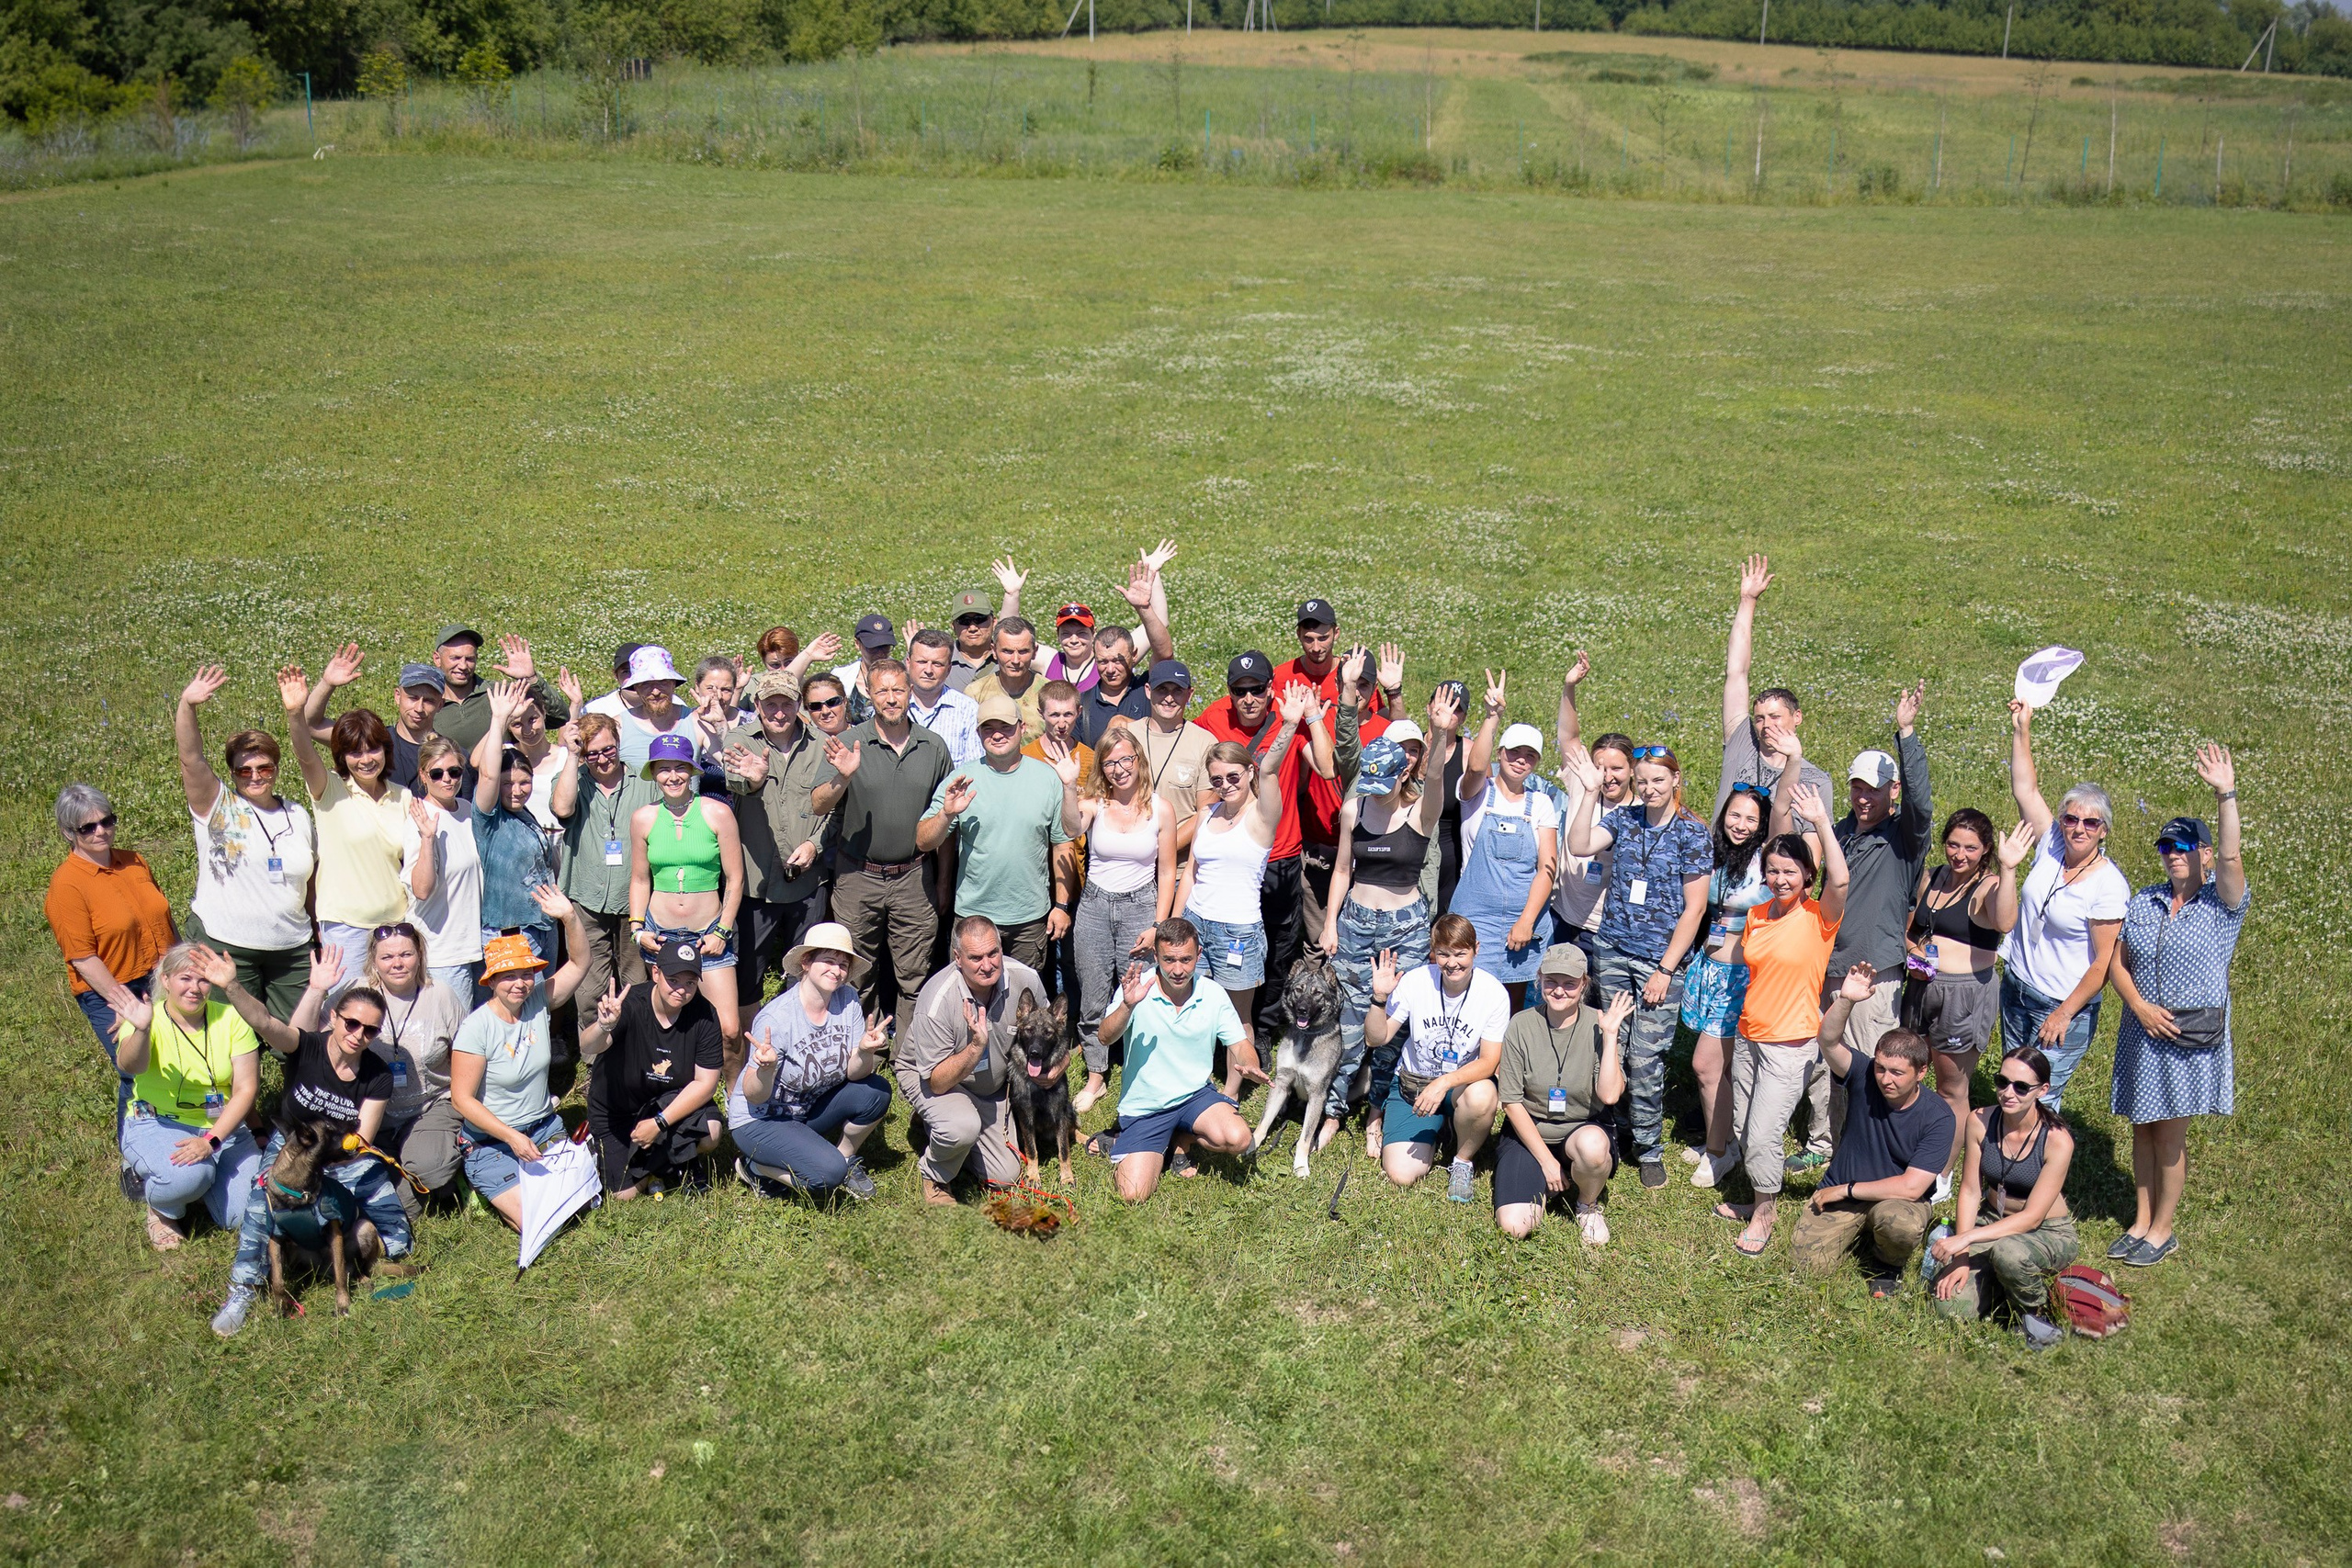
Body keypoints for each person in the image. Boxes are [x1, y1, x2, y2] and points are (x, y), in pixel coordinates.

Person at [208, 944, 414, 1337]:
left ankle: (353, 1261)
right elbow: (265, 1022)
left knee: (399, 1239)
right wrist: (232, 986)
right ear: (334, 1017)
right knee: (261, 1204)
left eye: (370, 1030)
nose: (358, 1035)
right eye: (351, 1023)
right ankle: (244, 1288)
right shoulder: (307, 1046)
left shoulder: (377, 1075)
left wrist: (330, 1167)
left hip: (339, 1156)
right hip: (291, 1147)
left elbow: (362, 1139)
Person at [2104, 744, 2249, 1268]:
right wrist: (2139, 1006)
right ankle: (2141, 1221)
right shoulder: (2144, 900)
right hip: (2142, 1030)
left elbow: (2232, 858)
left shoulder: (2223, 903)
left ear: (2204, 854)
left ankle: (2163, 1230)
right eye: (2167, 846)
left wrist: (2226, 794)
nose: (2174, 854)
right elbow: (2116, 963)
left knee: (2169, 1134)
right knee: (2142, 1128)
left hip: (2190, 1037)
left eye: (2185, 845)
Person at [1317, 687, 1464, 1150]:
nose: (1376, 796)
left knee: (1394, 1020)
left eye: (1385, 786)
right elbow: (1343, 869)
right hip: (1357, 921)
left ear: (1403, 774)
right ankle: (1333, 1109)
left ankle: (1378, 1109)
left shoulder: (1421, 812)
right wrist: (1330, 922)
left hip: (1405, 928)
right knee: (1347, 1018)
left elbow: (1436, 777)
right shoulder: (1354, 807)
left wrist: (1439, 733)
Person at [1562, 741, 1714, 1189]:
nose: (1649, 789)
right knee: (1614, 1044)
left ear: (1676, 779)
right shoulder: (1624, 819)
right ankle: (1620, 1129)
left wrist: (1665, 970)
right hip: (1612, 950)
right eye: (1642, 781)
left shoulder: (1692, 832)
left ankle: (1648, 1147)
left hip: (1658, 963)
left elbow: (1695, 909)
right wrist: (1590, 791)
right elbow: (1579, 844)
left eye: (1658, 780)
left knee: (1646, 1056)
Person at [1716, 790, 1850, 1258]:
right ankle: (1758, 1197)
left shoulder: (1820, 917)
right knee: (1742, 1126)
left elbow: (1841, 880)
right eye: (1772, 871)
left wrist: (1821, 822)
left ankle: (1765, 1213)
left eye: (1790, 872)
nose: (1780, 879)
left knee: (1763, 1134)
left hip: (1790, 1043)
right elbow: (1747, 961)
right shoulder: (1756, 915)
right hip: (1749, 1034)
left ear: (1808, 876)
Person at [1174, 684, 1311, 1099]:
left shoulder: (1262, 815)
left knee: (1238, 1017)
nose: (1226, 785)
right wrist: (1176, 923)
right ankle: (1192, 1082)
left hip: (1238, 931)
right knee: (1192, 1006)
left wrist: (1289, 724)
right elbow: (1191, 872)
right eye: (1217, 779)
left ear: (1249, 772)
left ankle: (1232, 1092)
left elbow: (1270, 770)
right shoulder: (1207, 812)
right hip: (1197, 923)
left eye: (1233, 776)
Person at [1786, 964, 1956, 1290]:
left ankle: (1886, 1263)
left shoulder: (1939, 1117)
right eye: (1881, 1068)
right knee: (1806, 1269)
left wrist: (1845, 1189)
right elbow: (1828, 1041)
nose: (1885, 1079)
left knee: (1900, 1226)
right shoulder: (1864, 1075)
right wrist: (1847, 1000)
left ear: (1921, 1072)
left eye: (1897, 1072)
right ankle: (1858, 1230)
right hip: (1843, 1192)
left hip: (1896, 1200)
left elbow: (1911, 1188)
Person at [1196, 651, 1334, 1051]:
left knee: (1277, 950)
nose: (1249, 699)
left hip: (1280, 857)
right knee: (1226, 949)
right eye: (1240, 691)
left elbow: (1326, 768)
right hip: (1234, 862)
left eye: (1257, 689)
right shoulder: (1213, 719)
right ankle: (1221, 1031)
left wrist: (1311, 716)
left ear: (1271, 688)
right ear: (1229, 692)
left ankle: (1260, 1029)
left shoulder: (1286, 716)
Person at [814, 660, 956, 1032]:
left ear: (910, 692)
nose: (891, 699)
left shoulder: (933, 747)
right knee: (856, 973)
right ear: (869, 694)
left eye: (898, 690)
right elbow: (818, 804)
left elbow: (945, 821)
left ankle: (908, 1055)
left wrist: (943, 882)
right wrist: (842, 777)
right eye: (882, 691)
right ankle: (864, 1051)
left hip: (914, 878)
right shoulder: (849, 742)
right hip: (857, 877)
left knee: (915, 976)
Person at [2001, 699, 2131, 1109]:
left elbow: (2103, 964)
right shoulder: (2052, 845)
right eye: (2071, 819)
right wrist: (2022, 729)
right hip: (2017, 987)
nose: (2078, 828)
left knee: (2038, 1100)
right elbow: (2025, 789)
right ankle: (2003, 1151)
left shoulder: (2109, 886)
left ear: (2103, 830)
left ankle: (2040, 1154)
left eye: (2091, 823)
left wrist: (2064, 1014)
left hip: (2059, 1006)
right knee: (2010, 1087)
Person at [169, 666, 316, 1020]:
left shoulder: (297, 814)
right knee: (233, 1035)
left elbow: (310, 883)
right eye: (243, 771)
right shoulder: (216, 805)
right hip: (226, 944)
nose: (255, 776)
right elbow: (191, 759)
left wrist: (318, 933)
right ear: (232, 773)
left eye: (264, 768)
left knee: (297, 1036)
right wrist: (187, 705)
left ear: (276, 769)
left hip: (291, 948)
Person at [447, 889, 597, 1229]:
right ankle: (481, 1184)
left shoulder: (538, 1002)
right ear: (491, 980)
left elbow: (581, 963)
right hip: (491, 1142)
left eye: (527, 973)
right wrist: (511, 1137)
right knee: (539, 1222)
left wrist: (569, 917)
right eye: (509, 975)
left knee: (578, 1205)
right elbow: (462, 1099)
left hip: (543, 1127)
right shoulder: (476, 1028)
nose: (520, 984)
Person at [1906, 810, 2033, 1196]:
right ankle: (1913, 1154)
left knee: (1951, 1090)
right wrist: (1913, 952)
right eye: (1953, 844)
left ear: (1986, 850)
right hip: (1921, 986)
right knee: (1913, 1076)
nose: (1959, 855)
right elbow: (1910, 928)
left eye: (1971, 848)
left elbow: (2005, 921)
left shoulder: (1988, 886)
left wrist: (2009, 870)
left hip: (1963, 994)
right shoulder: (1933, 877)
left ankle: (1942, 1175)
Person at [112, 942, 264, 1253]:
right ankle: (161, 1211)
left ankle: (201, 1184)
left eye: (203, 980)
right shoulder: (146, 1017)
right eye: (185, 978)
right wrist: (141, 1030)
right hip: (158, 1121)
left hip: (222, 1127)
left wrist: (211, 1141)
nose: (194, 988)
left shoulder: (231, 1019)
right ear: (165, 980)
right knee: (190, 1175)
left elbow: (246, 1089)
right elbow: (131, 1066)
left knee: (244, 1214)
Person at [46, 783, 176, 1137]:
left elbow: (164, 919)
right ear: (68, 833)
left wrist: (181, 968)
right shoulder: (66, 886)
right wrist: (122, 1003)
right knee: (135, 1068)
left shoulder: (134, 861)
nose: (100, 831)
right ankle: (134, 1149)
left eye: (106, 821)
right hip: (110, 990)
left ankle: (181, 1129)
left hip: (160, 976)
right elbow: (82, 957)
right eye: (88, 828)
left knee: (178, 1055)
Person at [916, 696, 1080, 975]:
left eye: (1005, 727)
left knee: (1025, 995)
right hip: (974, 918)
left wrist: (1061, 905)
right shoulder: (961, 780)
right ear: (978, 732)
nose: (997, 735)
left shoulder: (1048, 778)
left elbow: (1063, 845)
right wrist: (946, 814)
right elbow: (923, 840)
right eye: (988, 728)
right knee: (970, 994)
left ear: (1022, 728)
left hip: (1029, 919)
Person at [730, 921, 893, 1201]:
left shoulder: (848, 999)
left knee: (876, 1091)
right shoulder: (777, 1018)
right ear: (806, 962)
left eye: (843, 964)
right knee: (827, 1176)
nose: (837, 970)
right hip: (760, 1120)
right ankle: (756, 1168)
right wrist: (766, 1069)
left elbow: (855, 1075)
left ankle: (844, 1159)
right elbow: (754, 1095)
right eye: (828, 960)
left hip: (804, 1108)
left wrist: (865, 1051)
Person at [1096, 918, 1256, 1202]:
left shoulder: (1212, 993)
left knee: (1239, 1138)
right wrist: (1127, 1006)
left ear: (1199, 954)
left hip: (1194, 1095)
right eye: (1169, 960)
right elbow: (1105, 1037)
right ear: (1155, 955)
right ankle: (1126, 1139)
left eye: (1186, 959)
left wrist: (1250, 1064)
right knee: (1133, 1194)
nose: (1178, 970)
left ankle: (1182, 1138)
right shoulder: (1138, 988)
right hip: (1146, 1107)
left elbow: (1240, 1044)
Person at [1928, 1043, 2076, 1347]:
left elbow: (2032, 1218)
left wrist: (1965, 1239)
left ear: (2042, 1090)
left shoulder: (2057, 1140)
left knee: (2009, 1253)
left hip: (2046, 1231)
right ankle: (2001, 1284)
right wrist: (1962, 1257)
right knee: (1951, 1308)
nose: (2009, 1093)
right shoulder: (1980, 1121)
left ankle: (2033, 1314)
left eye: (2021, 1087)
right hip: (1991, 1220)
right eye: (2002, 1082)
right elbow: (1970, 1191)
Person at [1823, 680, 1934, 1072]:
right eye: (1857, 788)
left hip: (1873, 973)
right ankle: (1826, 1120)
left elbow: (1921, 803)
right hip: (1828, 966)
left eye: (1873, 789)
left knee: (1869, 1066)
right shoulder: (1839, 831)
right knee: (1827, 1064)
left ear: (1894, 789)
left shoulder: (1905, 835)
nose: (1863, 798)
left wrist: (1906, 734)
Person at [896, 918, 1046, 1205]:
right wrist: (976, 1047)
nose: (987, 965)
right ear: (958, 958)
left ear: (1001, 948)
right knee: (960, 1126)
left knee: (1005, 1176)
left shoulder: (1025, 979)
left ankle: (941, 1127)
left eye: (993, 953)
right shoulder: (937, 999)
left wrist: (1057, 1068)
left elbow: (1050, 1025)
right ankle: (935, 1176)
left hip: (990, 1086)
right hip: (932, 1076)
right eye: (976, 958)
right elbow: (937, 1082)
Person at [283, 647, 411, 985]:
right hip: (345, 929)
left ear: (386, 750)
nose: (365, 759)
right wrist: (297, 712)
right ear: (342, 757)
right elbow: (304, 752)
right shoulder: (329, 790)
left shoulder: (404, 796)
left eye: (373, 749)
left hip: (397, 928)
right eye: (354, 752)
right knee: (347, 1009)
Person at [1493, 944, 1634, 1245]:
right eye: (1551, 981)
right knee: (1515, 1226)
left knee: (1593, 1146)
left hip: (1583, 1127)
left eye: (1569, 983)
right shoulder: (1520, 1025)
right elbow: (1511, 1102)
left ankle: (1587, 1204)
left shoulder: (1599, 1023)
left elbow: (1610, 1096)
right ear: (1540, 980)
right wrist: (1547, 1162)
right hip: (1530, 1129)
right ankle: (1545, 1179)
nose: (1559, 991)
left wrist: (1610, 1037)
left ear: (1584, 984)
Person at [1363, 913, 1510, 1201]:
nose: (1452, 963)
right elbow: (1376, 1038)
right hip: (1414, 1084)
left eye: (1460, 954)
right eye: (1443, 954)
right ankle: (1441, 1129)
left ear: (1476, 950)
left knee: (1483, 1095)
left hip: (1461, 1085)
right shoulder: (1416, 981)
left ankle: (1462, 1161)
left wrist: (1443, 1083)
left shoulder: (1494, 993)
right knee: (1401, 1174)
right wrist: (1379, 999)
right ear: (1434, 953)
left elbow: (1490, 1061)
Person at [1069, 725, 1177, 1114]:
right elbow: (1070, 827)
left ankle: (1142, 1070)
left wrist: (1157, 925)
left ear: (1138, 760)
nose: (1119, 769)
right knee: (1094, 992)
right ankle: (1096, 1075)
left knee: (1141, 993)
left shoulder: (1161, 809)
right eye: (1110, 762)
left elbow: (1168, 871)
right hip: (1095, 907)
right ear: (1101, 767)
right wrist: (1067, 786)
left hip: (1140, 907)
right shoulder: (1094, 804)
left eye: (1126, 759)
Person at [628, 732, 748, 1080]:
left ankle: (736, 1096)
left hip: (709, 932)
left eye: (680, 767)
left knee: (729, 1029)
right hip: (661, 934)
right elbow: (640, 879)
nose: (673, 776)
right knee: (668, 1022)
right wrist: (637, 929)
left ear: (693, 771)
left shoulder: (718, 813)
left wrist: (722, 930)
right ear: (654, 773)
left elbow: (735, 879)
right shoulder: (643, 818)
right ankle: (677, 1087)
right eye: (664, 769)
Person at [721, 670, 834, 1021]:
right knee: (747, 977)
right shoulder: (740, 739)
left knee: (807, 972)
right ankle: (747, 1045)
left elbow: (836, 808)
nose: (780, 712)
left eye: (787, 703)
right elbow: (736, 781)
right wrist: (754, 781)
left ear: (799, 704)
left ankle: (798, 1037)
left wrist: (814, 845)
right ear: (757, 705)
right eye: (771, 704)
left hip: (808, 884)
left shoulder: (822, 744)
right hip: (755, 884)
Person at [1679, 781, 1772, 1190]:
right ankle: (1726, 1140)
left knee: (1706, 1065)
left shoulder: (1767, 860)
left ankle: (1719, 1154)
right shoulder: (1716, 853)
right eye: (1735, 814)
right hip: (1707, 969)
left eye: (1751, 818)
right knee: (1722, 1067)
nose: (1741, 824)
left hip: (1739, 977)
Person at [580, 941, 724, 1199]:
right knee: (624, 1195)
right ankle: (670, 1159)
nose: (681, 990)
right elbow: (588, 1045)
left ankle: (671, 1158)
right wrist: (604, 1026)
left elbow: (706, 1084)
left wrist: (659, 1123)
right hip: (617, 1109)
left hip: (666, 1103)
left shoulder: (705, 1014)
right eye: (673, 980)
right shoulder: (630, 1003)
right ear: (656, 973)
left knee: (711, 1132)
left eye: (690, 983)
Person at [1453, 671, 1559, 1009]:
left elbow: (1547, 869)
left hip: (1521, 923)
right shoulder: (1477, 794)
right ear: (1499, 753)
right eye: (1514, 752)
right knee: (1467, 1002)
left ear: (1537, 762)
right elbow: (1475, 768)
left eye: (1530, 755)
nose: (1521, 760)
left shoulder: (1541, 804)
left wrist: (1526, 922)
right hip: (1473, 921)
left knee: (1510, 1007)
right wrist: (1492, 717)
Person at [1714, 556, 1836, 823]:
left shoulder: (1815, 781)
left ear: (1797, 717)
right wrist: (1748, 601)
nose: (1766, 725)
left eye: (1775, 716)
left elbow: (1813, 845)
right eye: (1759, 718)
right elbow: (1736, 673)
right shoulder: (1741, 744)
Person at [360, 921, 467, 1223]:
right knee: (383, 1205)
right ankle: (415, 1183)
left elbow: (467, 1057)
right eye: (387, 957)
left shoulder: (441, 995)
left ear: (419, 956)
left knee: (428, 1167)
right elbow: (312, 1043)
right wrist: (317, 989)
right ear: (374, 961)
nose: (397, 963)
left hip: (431, 1106)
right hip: (373, 1114)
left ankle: (446, 1166)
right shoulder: (358, 994)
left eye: (406, 954)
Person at [551, 712, 658, 1012]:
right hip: (586, 898)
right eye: (592, 754)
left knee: (636, 985)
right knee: (589, 989)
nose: (602, 759)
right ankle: (593, 1041)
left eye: (608, 749)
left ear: (618, 742)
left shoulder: (646, 782)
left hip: (635, 899)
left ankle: (634, 1038)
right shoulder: (572, 780)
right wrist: (573, 757)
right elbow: (562, 808)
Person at [468, 682, 562, 966]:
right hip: (511, 931)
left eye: (525, 782)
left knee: (545, 995)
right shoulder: (489, 816)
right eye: (508, 783)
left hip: (543, 925)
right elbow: (487, 773)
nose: (517, 791)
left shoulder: (525, 814)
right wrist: (500, 719)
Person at [1551, 653, 1630, 958]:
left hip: (1604, 927)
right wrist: (1569, 686)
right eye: (1600, 767)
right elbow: (1569, 737)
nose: (1607, 777)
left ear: (1632, 769)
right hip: (1562, 914)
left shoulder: (1640, 808)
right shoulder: (1582, 783)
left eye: (1617, 769)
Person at [400, 736, 485, 998]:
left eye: (454, 771)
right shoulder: (419, 820)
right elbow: (422, 890)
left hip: (478, 945)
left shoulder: (468, 810)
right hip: (443, 953)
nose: (447, 779)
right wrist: (428, 838)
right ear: (423, 776)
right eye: (437, 774)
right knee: (454, 1023)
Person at [1135, 660, 1218, 856]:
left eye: (1177, 691)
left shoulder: (1206, 743)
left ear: (1190, 694)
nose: (1169, 698)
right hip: (1130, 861)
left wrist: (1160, 851)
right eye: (1162, 689)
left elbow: (1206, 811)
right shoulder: (1127, 736)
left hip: (1180, 865)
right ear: (1148, 691)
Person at [608, 646, 702, 772]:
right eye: (646, 684)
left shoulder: (695, 721)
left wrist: (719, 723)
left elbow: (725, 762)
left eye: (662, 682)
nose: (656, 692)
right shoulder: (618, 728)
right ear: (636, 688)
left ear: (673, 683)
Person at [906, 627, 982, 765]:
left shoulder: (967, 709)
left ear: (949, 669)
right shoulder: (892, 706)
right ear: (908, 663)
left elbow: (974, 766)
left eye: (937, 664)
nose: (928, 670)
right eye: (922, 662)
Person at [964, 616, 1046, 741]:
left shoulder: (1050, 693)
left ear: (1035, 652)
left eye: (1023, 652)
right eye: (1007, 651)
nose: (1015, 660)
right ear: (994, 651)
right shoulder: (975, 694)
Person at [385, 662, 458, 795]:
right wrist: (338, 685)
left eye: (429, 701)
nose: (419, 708)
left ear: (440, 705)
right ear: (397, 696)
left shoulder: (453, 755)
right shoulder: (374, 745)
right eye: (413, 698)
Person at [1076, 626, 1151, 749]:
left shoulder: (1148, 689)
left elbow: (1164, 653)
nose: (1110, 670)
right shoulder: (1081, 704)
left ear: (1134, 655)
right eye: (1103, 662)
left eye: (1117, 661)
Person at [832, 614, 899, 726]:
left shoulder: (902, 674)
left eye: (885, 647)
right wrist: (808, 656)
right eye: (873, 648)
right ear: (857, 644)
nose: (880, 653)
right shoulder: (841, 677)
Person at [944, 587, 999, 692]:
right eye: (964, 621)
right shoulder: (940, 660)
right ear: (953, 626)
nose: (973, 628)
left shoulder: (1010, 658)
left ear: (994, 622)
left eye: (979, 619)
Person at [1041, 602, 1099, 692]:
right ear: (1058, 635)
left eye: (1081, 633)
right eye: (1066, 633)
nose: (1074, 640)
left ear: (1093, 633)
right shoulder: (1050, 661)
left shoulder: (1106, 665)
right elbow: (1019, 640)